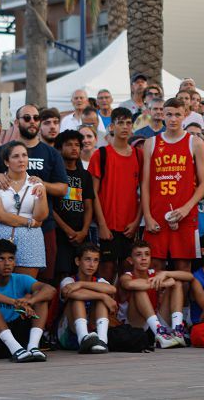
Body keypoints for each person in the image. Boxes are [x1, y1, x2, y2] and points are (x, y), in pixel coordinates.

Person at [0, 104, 70, 283]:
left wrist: (40, 185)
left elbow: (63, 189)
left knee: (39, 283)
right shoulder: (1, 151)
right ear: (17, 122)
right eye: (27, 118)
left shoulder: (51, 153)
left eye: (36, 118)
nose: (32, 122)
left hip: (43, 227)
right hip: (5, 231)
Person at [141, 98, 204, 273]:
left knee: (183, 266)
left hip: (185, 214)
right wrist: (147, 216)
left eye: (178, 115)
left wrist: (187, 208)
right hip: (157, 213)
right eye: (169, 114)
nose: (173, 119)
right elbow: (144, 184)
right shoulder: (151, 143)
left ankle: (181, 302)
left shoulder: (195, 142)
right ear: (162, 115)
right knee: (154, 265)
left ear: (185, 115)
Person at [0, 239, 56, 362]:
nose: (7, 263)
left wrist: (30, 301)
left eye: (11, 259)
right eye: (1, 259)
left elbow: (50, 290)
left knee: (41, 296)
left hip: (16, 335)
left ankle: (33, 347)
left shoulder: (22, 279)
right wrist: (15, 302)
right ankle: (15, 348)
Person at [87, 107, 142, 282]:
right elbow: (92, 192)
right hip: (107, 225)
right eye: (120, 123)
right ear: (112, 126)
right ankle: (104, 309)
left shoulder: (139, 156)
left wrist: (136, 222)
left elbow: (144, 192)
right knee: (107, 272)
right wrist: (102, 224)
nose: (125, 127)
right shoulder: (101, 155)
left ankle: (123, 310)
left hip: (129, 227)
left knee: (127, 274)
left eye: (128, 123)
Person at [0, 141, 48, 278]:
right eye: (16, 156)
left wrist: (42, 194)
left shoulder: (36, 183)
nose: (21, 160)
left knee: (25, 290)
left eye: (24, 155)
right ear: (7, 162)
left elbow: (40, 217)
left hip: (30, 241)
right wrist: (30, 222)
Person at [57, 243, 117, 354]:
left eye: (95, 260)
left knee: (101, 300)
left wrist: (81, 284)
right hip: (69, 335)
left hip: (94, 333)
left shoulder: (99, 281)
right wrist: (102, 296)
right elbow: (70, 293)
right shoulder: (68, 281)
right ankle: (83, 337)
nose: (91, 264)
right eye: (87, 259)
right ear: (77, 261)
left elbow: (112, 289)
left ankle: (102, 341)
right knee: (77, 298)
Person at [53, 130, 96, 280]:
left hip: (81, 234)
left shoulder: (85, 175)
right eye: (69, 145)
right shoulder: (54, 174)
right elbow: (49, 207)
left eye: (77, 145)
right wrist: (67, 230)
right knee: (61, 275)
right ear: (59, 148)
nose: (74, 148)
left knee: (81, 273)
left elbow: (89, 206)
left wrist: (84, 231)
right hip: (60, 234)